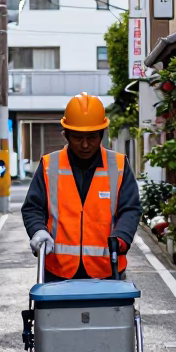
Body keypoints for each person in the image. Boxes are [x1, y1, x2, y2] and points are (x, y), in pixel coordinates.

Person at [21, 93, 142, 281]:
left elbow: (130, 209)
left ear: (102, 134)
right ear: (66, 134)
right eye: (77, 138)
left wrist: (122, 237)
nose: (85, 145)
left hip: (107, 271)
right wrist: (38, 230)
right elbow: (32, 208)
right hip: (58, 271)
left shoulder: (118, 165)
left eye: (92, 137)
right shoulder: (49, 165)